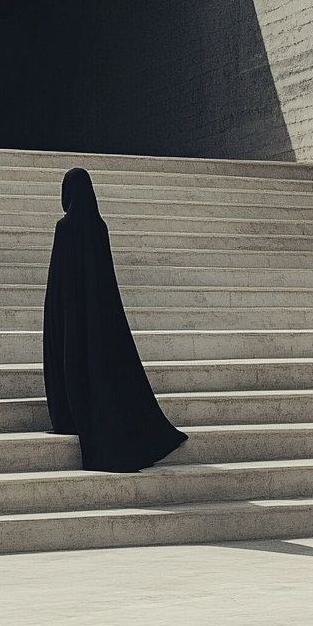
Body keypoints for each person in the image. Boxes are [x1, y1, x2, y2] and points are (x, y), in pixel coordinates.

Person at [43, 166, 188, 471]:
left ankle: (71, 413)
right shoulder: (100, 228)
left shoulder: (64, 228)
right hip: (100, 318)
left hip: (71, 315)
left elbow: (59, 283)